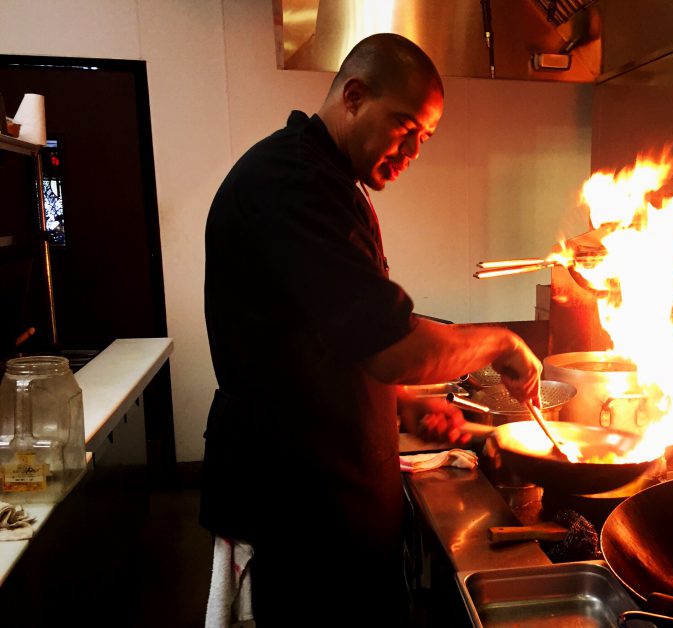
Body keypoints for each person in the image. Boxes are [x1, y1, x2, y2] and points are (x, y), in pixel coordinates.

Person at [200, 33, 542, 626]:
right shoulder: (293, 184)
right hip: (304, 511)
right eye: (404, 126)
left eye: (425, 138)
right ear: (354, 96)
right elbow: (390, 345)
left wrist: (402, 409)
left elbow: (333, 334)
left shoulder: (325, 182)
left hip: (330, 494)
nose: (413, 150)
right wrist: (502, 343)